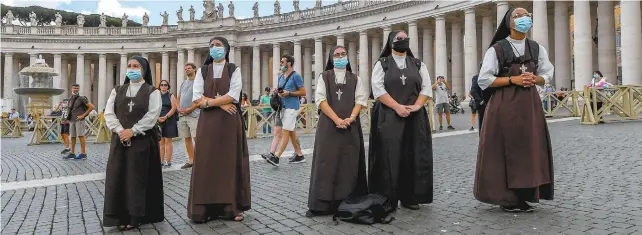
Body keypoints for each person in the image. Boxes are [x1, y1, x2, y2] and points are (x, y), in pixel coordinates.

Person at [474, 7, 555, 213]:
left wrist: (535, 78)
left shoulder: (537, 48)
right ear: (509, 22)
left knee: (529, 148)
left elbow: (547, 73)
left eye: (526, 15)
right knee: (505, 149)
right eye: (518, 16)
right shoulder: (497, 49)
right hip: (503, 104)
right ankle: (506, 197)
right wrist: (513, 79)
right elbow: (484, 79)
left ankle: (528, 193)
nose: (523, 18)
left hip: (530, 104)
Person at [369, 30, 434, 210]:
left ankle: (410, 195)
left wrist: (417, 106)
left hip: (415, 116)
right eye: (399, 38)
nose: (403, 40)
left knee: (413, 155)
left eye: (405, 38)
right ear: (391, 42)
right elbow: (377, 89)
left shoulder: (418, 64)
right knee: (389, 155)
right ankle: (388, 195)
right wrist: (397, 107)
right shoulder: (382, 64)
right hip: (389, 115)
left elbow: (426, 88)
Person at [188, 36, 251, 223]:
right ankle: (203, 209)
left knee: (228, 162)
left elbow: (234, 94)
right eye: (212, 45)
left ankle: (230, 207)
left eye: (218, 45)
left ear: (226, 49)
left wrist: (210, 102)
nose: (215, 48)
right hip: (208, 122)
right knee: (206, 162)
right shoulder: (202, 71)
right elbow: (196, 96)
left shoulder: (234, 69)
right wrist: (220, 104)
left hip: (229, 122)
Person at [102, 56, 164, 230]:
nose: (132, 68)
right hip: (120, 139)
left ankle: (136, 215)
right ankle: (118, 215)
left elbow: (152, 115)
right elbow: (108, 112)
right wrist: (120, 130)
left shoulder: (153, 91)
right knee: (118, 175)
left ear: (143, 69)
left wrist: (133, 131)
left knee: (137, 177)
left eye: (136, 66)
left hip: (142, 139)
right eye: (129, 66)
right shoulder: (117, 90)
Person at [307, 46, 368, 217]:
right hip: (329, 126)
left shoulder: (355, 78)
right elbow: (321, 100)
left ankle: (348, 201)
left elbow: (360, 100)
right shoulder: (324, 77)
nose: (340, 57)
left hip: (350, 126)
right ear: (331, 58)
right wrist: (337, 120)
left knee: (349, 163)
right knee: (326, 163)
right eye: (337, 55)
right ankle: (323, 203)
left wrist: (350, 118)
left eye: (343, 54)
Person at [262, 54, 306, 166]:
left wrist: (289, 93)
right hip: (281, 107)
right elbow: (279, 90)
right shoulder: (281, 77)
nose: (280, 64)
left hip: (291, 107)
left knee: (286, 131)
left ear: (289, 63)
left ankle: (277, 157)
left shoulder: (296, 76)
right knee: (291, 132)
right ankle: (300, 155)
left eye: (282, 62)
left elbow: (303, 92)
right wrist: (277, 93)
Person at [177, 63, 200, 169]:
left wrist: (191, 108)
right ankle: (191, 159)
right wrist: (178, 108)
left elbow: (200, 98)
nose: (187, 70)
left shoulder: (199, 82)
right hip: (182, 115)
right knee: (186, 137)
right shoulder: (183, 83)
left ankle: (200, 159)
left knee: (197, 137)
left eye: (189, 68)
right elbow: (179, 97)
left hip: (194, 114)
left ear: (194, 69)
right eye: (185, 68)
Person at [63, 84, 95, 160]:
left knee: (81, 136)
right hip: (72, 120)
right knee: (73, 137)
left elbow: (92, 107)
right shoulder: (70, 99)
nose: (76, 89)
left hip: (79, 120)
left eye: (77, 88)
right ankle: (72, 153)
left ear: (79, 89)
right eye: (75, 88)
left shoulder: (81, 98)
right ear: (72, 89)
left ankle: (83, 154)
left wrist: (83, 115)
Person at [158, 79, 178, 167]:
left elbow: (174, 108)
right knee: (161, 142)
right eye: (162, 85)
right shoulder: (156, 95)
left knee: (168, 141)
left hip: (169, 119)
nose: (163, 86)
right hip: (159, 120)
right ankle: (161, 161)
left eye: (165, 85)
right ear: (159, 86)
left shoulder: (171, 95)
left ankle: (168, 161)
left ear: (168, 86)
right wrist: (158, 118)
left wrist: (166, 117)